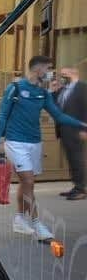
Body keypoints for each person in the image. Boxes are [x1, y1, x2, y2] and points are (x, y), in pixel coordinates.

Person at [0, 56, 87, 240]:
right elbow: (3, 115)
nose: (51, 73)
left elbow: (59, 116)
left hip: (35, 143)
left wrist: (82, 124)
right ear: (38, 69)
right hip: (15, 142)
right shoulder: (15, 88)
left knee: (27, 183)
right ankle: (37, 225)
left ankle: (20, 219)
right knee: (28, 181)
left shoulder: (43, 94)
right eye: (48, 68)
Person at [54, 68, 87, 200]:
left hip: (77, 129)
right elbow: (57, 105)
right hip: (64, 129)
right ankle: (76, 185)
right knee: (71, 159)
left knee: (77, 159)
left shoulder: (82, 87)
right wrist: (54, 91)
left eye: (64, 73)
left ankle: (81, 189)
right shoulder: (64, 89)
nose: (62, 76)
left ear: (74, 72)